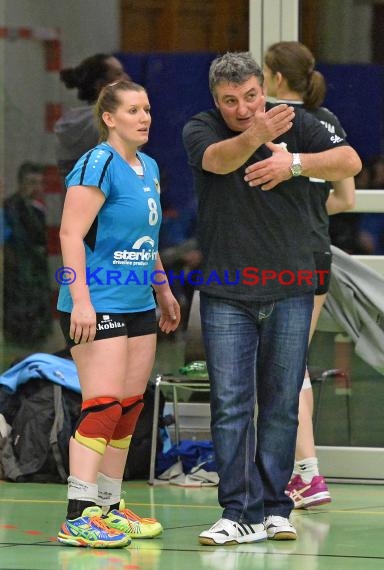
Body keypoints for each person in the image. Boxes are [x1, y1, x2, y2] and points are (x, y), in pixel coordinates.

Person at [182, 51, 361, 545]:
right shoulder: (201, 128)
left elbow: (350, 161)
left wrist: (295, 164)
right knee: (231, 404)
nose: (242, 108)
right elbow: (219, 161)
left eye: (251, 97)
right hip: (225, 293)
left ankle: (276, 508)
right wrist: (258, 136)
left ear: (265, 88)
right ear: (215, 100)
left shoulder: (299, 121)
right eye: (230, 101)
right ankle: (237, 511)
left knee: (281, 404)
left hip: (291, 288)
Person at [56, 79, 181, 548]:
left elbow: (145, 241)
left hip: (139, 303)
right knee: (103, 405)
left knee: (128, 409)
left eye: (147, 108)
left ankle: (109, 507)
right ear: (109, 118)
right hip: (99, 303)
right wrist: (81, 300)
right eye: (133, 110)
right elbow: (70, 235)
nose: (144, 117)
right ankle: (78, 513)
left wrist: (164, 289)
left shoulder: (148, 166)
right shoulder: (98, 162)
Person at [263, 40, 356, 508]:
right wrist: (310, 208)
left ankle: (305, 472)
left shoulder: (269, 122)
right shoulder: (329, 122)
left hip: (278, 260)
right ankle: (299, 471)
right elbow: (346, 199)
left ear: (276, 78)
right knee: (292, 363)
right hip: (317, 253)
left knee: (283, 366)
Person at [54, 53, 130, 179]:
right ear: (101, 86)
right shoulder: (108, 124)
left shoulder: (71, 123)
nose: (127, 78)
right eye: (118, 74)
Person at [3, 162, 52, 349]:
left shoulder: (40, 210)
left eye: (39, 183)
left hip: (37, 276)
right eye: (31, 182)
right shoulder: (10, 208)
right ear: (20, 183)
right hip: (18, 275)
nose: (35, 188)